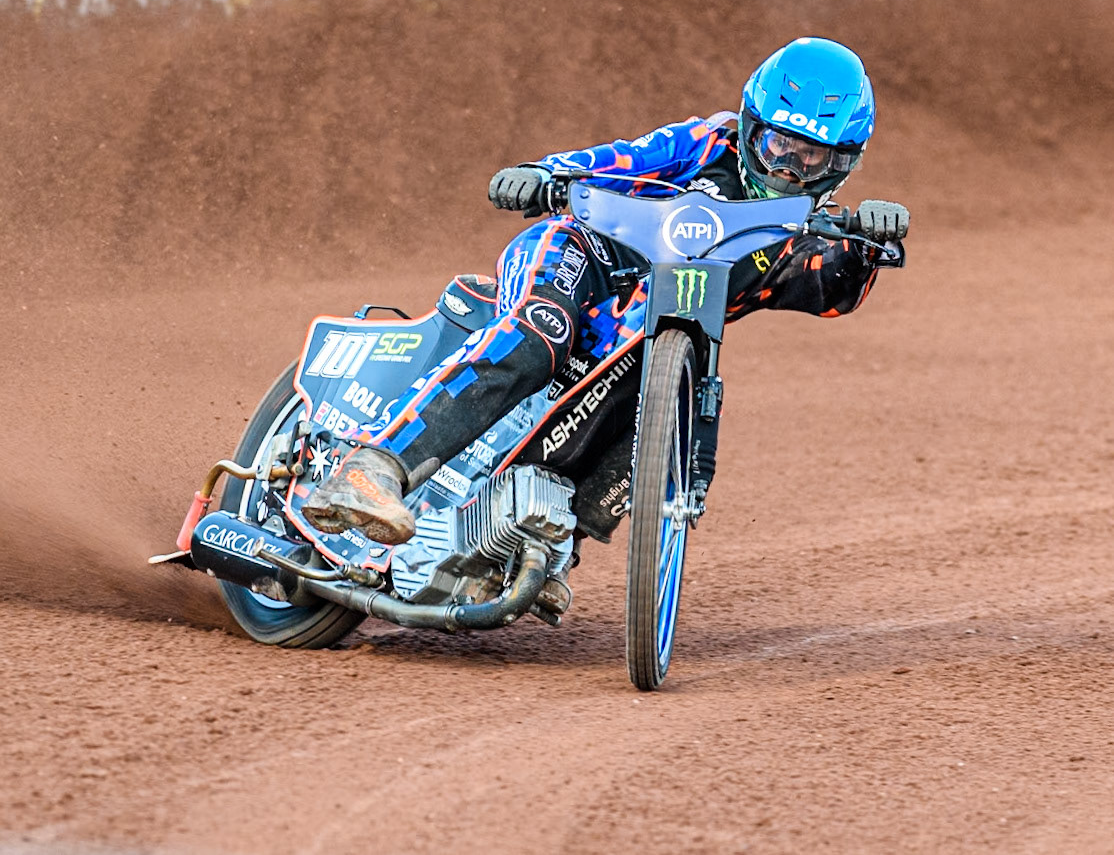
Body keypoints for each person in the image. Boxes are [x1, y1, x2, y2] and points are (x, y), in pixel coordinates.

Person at [303, 37, 911, 546]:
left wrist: (866, 244)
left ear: (842, 166)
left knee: (667, 397)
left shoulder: (801, 240)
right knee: (541, 331)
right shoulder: (704, 143)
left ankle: (533, 543)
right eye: (777, 145)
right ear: (751, 126)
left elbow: (835, 286)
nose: (786, 170)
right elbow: (616, 159)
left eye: (810, 159)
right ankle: (373, 468)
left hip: (647, 334)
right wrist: (544, 175)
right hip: (582, 252)